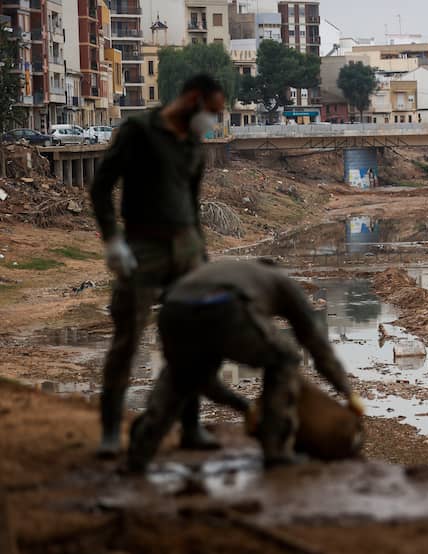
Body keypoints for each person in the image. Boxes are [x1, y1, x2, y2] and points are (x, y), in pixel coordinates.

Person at [90, 74, 226, 458]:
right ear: (193, 99)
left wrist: (201, 255)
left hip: (187, 250)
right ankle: (110, 432)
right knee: (127, 338)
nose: (213, 121)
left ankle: (191, 428)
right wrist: (112, 240)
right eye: (212, 111)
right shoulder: (138, 130)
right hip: (143, 247)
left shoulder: (194, 144)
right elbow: (101, 187)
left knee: (191, 341)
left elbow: (193, 204)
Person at [126, 259, 364, 473]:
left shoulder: (236, 271)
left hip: (172, 309)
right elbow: (315, 341)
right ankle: (276, 451)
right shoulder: (282, 282)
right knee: (286, 357)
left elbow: (205, 382)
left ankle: (139, 454)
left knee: (181, 375)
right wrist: (347, 391)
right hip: (225, 307)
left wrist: (244, 406)